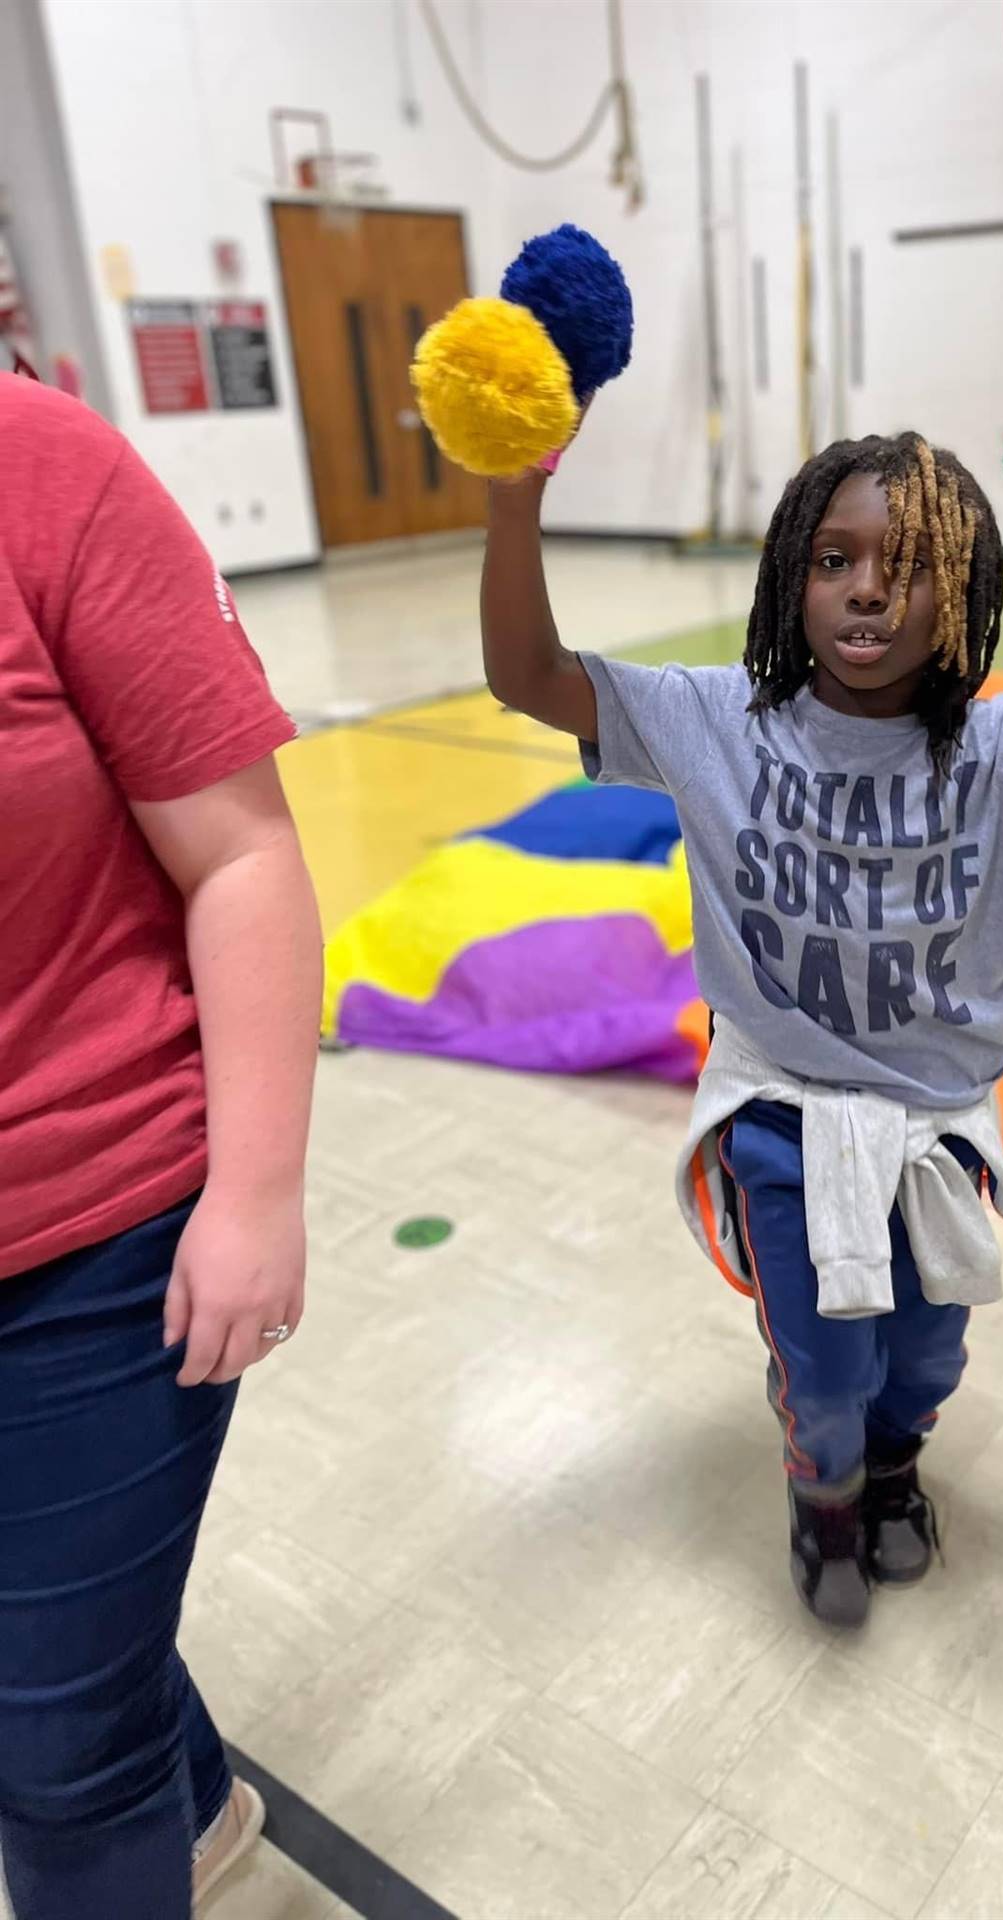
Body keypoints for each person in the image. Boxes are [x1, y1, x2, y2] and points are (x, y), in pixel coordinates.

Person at [481, 421, 1003, 1625]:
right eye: (833, 560)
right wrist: (516, 498)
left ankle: (893, 1470)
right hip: (780, 1114)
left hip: (937, 1127)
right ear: (790, 576)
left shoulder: (1002, 747)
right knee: (825, 1371)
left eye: (912, 563)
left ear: (969, 590)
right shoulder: (711, 719)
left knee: (924, 1361)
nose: (869, 586)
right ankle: (823, 1491)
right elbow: (528, 675)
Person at [0, 373, 322, 1918]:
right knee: (59, 1668)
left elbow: (246, 851)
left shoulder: (39, 465)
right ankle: (194, 1803)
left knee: (60, 1762)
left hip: (88, 1236)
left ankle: (147, 1809)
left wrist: (256, 1191)